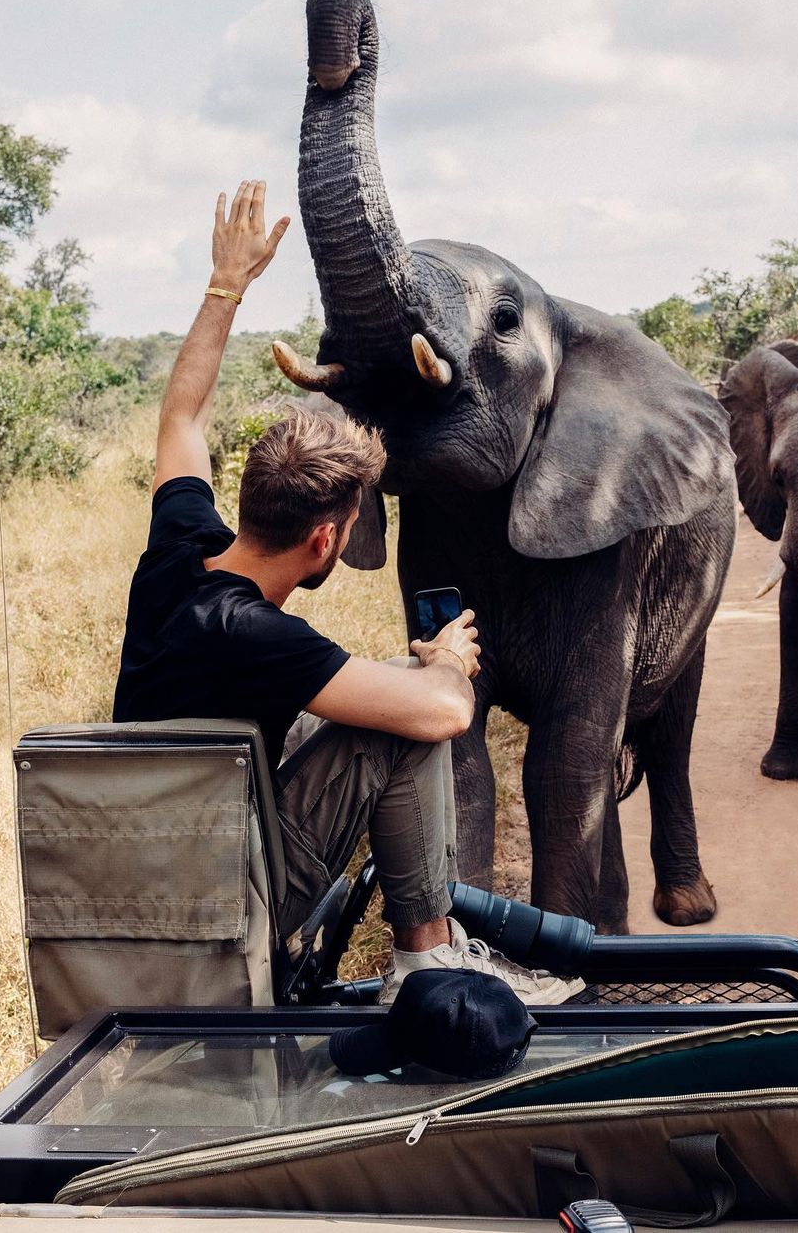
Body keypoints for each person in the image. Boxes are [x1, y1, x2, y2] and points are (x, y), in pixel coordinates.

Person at [113, 180, 582, 1005]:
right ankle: (429, 960)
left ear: (250, 498)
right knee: (402, 719)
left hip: (138, 872)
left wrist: (227, 286)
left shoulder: (176, 553)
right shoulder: (264, 639)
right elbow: (443, 716)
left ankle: (435, 946)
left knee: (389, 689)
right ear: (324, 540)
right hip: (228, 891)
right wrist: (442, 665)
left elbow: (181, 419)